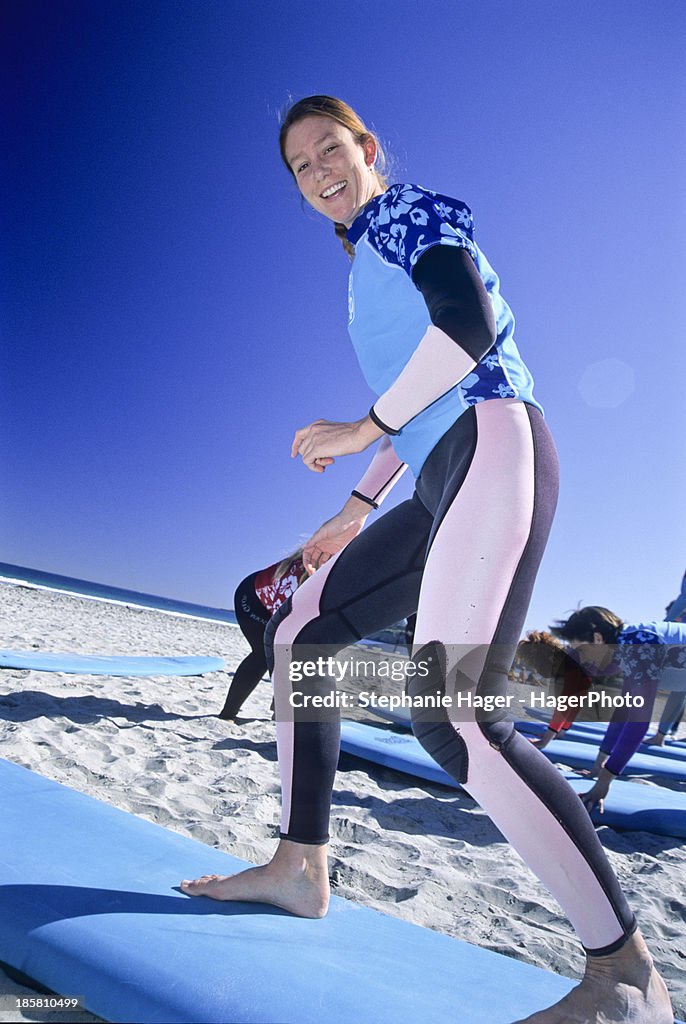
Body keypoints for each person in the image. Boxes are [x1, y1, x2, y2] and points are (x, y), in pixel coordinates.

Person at [181, 96, 672, 1023]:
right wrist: (354, 508)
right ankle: (300, 864)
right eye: (300, 166)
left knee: (457, 717)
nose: (319, 171)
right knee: (302, 631)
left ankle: (628, 980)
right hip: (442, 468)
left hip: (497, 446)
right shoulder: (366, 261)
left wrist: (360, 426)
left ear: (367, 151)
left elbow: (469, 331)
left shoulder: (408, 214)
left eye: (332, 149)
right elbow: (423, 390)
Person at [550, 606, 686, 817]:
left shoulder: (639, 645)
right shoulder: (625, 648)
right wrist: (598, 767)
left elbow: (638, 723)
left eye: (581, 650)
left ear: (597, 638)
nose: (582, 658)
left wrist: (604, 782)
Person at [219, 552, 307, 720]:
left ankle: (278, 713)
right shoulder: (320, 566)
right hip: (253, 598)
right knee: (262, 655)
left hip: (278, 605)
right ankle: (227, 714)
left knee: (293, 655)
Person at [515, 631, 594, 748]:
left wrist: (544, 742)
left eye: (536, 666)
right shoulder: (571, 658)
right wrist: (560, 731)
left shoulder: (570, 665)